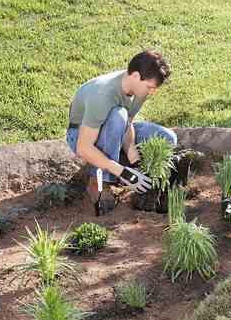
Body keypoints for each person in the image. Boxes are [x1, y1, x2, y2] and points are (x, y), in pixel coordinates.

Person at [66, 50, 177, 215]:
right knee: (118, 115)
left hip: (115, 125)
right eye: (150, 87)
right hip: (81, 135)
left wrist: (133, 158)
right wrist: (123, 172)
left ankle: (116, 164)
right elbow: (83, 147)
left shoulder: (139, 89)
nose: (152, 92)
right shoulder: (102, 94)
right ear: (135, 76)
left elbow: (128, 123)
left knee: (168, 138)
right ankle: (102, 181)